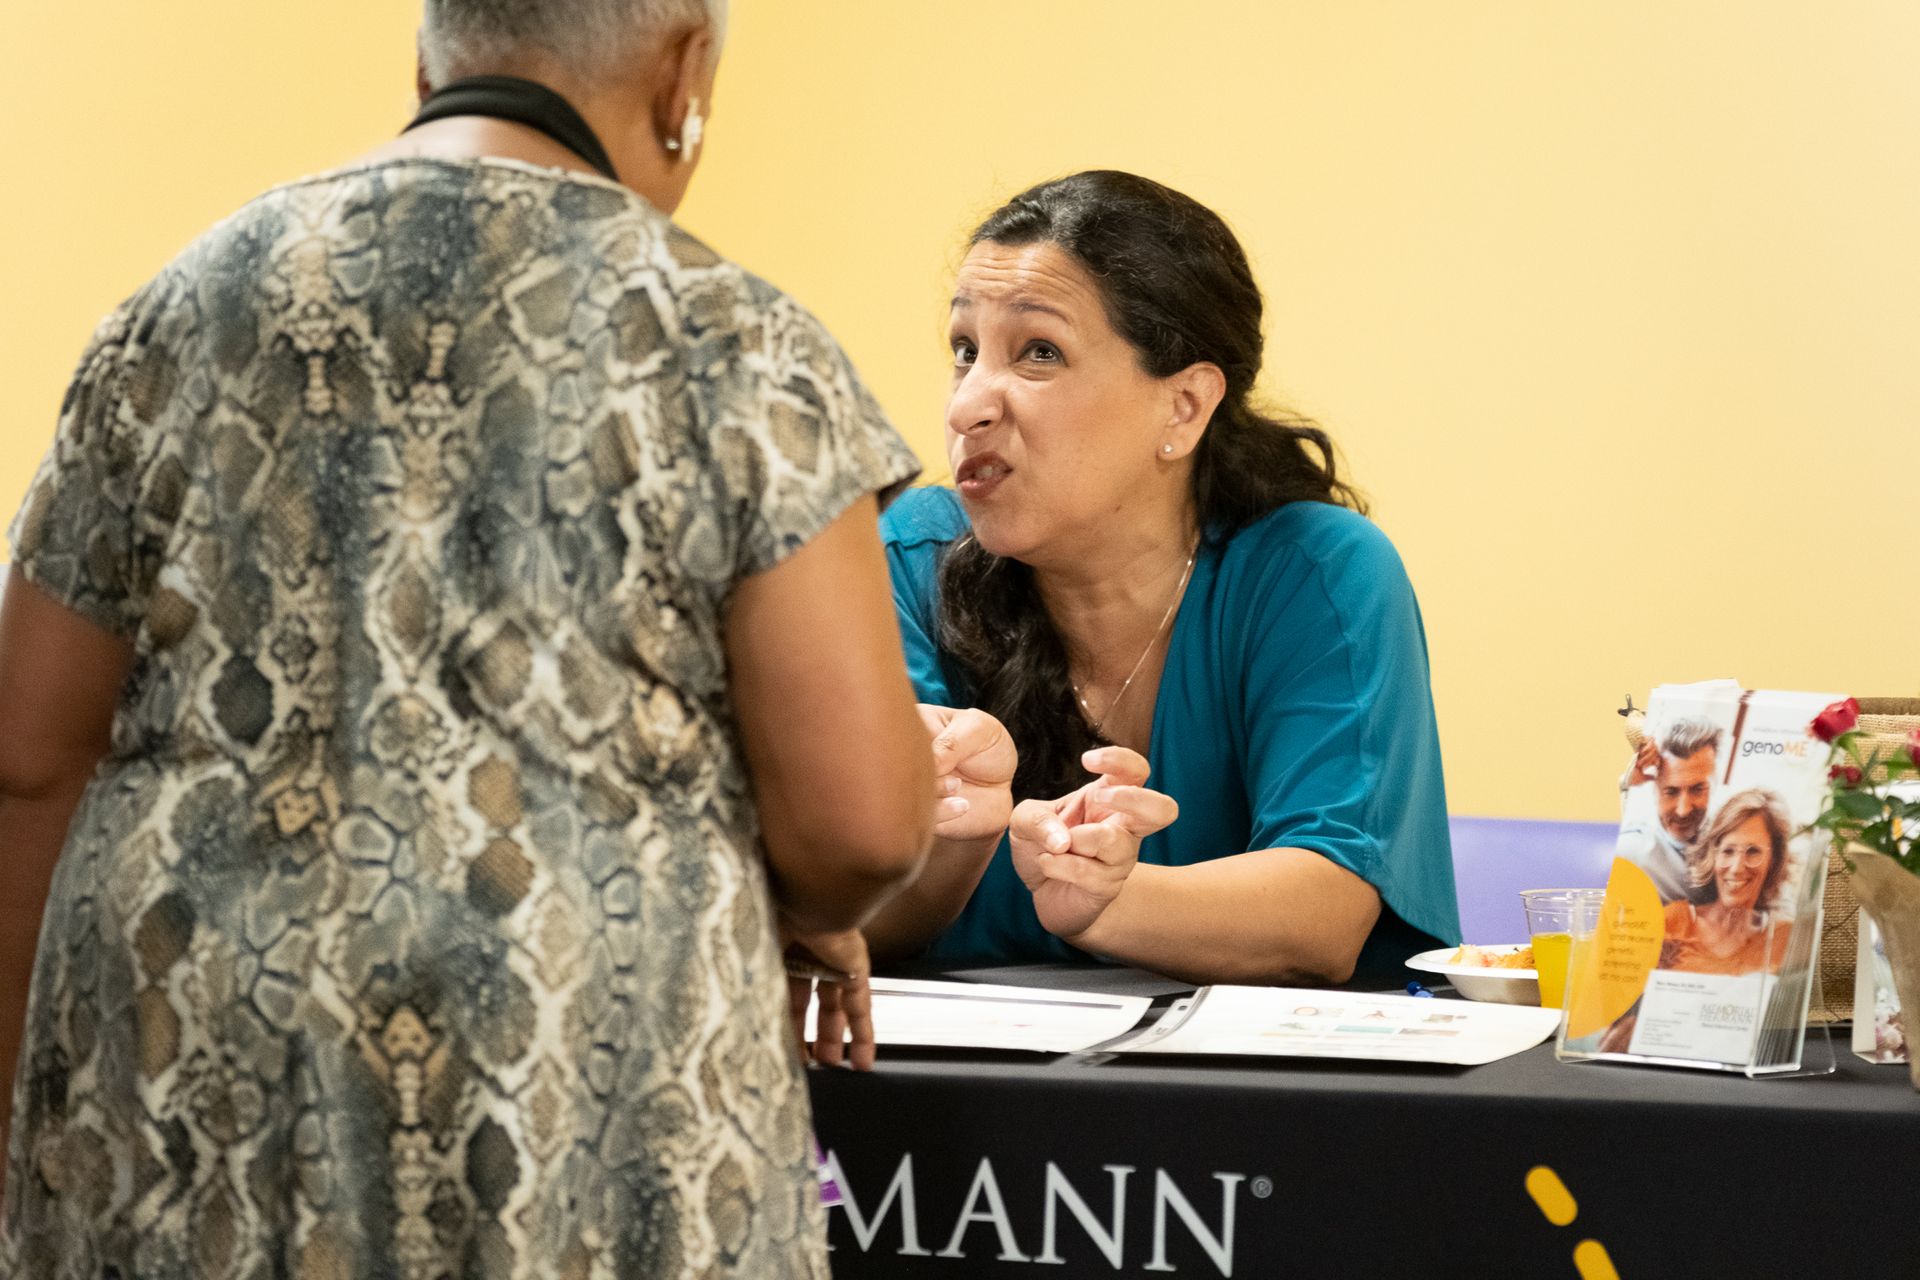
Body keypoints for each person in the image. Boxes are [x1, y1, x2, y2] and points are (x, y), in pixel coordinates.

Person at [0, 2, 937, 1275]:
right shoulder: (733, 342)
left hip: (196, 1096)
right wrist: (797, 897)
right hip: (582, 1106)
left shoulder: (174, 311)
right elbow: (860, 827)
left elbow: (27, 755)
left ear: (429, 61)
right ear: (683, 79)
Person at [867, 170, 1460, 986]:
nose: (967, 405)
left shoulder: (1316, 569)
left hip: (1266, 1068)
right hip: (962, 1065)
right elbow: (851, 917)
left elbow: (1324, 914)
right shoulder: (909, 557)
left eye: (1039, 352)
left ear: (1184, 406)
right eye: (964, 351)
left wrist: (1105, 902)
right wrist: (951, 845)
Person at [1658, 789, 1795, 975]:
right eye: (1728, 851)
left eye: (1753, 851)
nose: (1737, 868)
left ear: (1774, 859)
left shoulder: (1785, 938)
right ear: (1713, 856)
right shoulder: (1671, 922)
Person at [1617, 717, 1721, 901]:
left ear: (1715, 784)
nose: (1683, 810)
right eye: (1671, 792)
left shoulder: (1732, 842)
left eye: (1697, 789)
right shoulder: (1635, 850)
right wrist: (1627, 787)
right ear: (1654, 787)